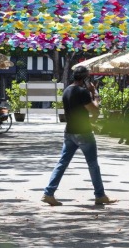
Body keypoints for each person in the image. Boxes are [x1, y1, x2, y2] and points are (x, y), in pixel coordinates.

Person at [42, 65, 117, 206]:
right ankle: (100, 195)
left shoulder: (67, 90)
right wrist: (95, 95)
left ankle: (48, 192)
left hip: (69, 132)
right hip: (83, 133)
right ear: (85, 78)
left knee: (62, 163)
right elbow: (95, 111)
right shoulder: (82, 92)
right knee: (93, 164)